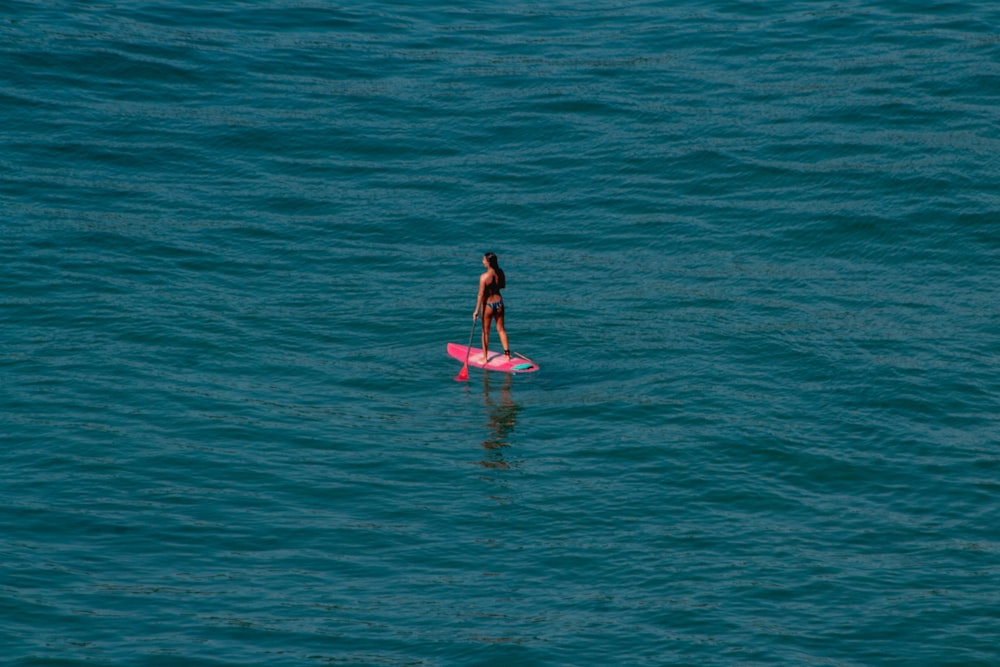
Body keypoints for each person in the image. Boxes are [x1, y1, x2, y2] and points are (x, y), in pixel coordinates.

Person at [473, 252, 510, 364]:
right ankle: (507, 355)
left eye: (484, 260)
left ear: (488, 263)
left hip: (488, 305)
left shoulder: (484, 277)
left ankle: (485, 358)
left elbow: (480, 294)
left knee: (485, 332)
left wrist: (476, 311)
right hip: (499, 303)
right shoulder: (501, 272)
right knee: (501, 330)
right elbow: (503, 286)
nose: (483, 262)